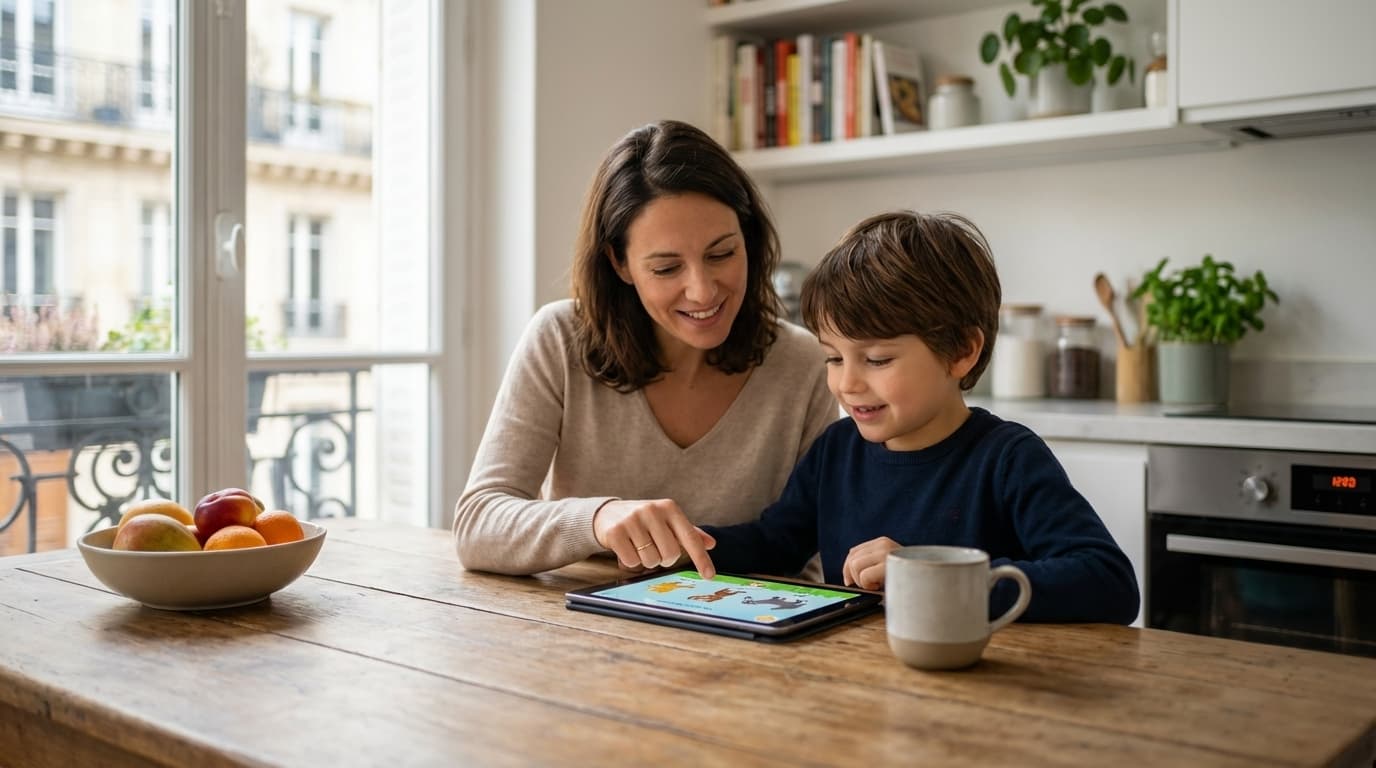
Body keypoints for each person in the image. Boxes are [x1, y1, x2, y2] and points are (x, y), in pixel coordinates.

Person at [701, 211, 1139, 623]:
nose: (847, 383)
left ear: (962, 351)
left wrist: (931, 575)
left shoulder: (1008, 458)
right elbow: (772, 544)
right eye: (833, 358)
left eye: (877, 359)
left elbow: (1109, 582)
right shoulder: (836, 450)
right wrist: (689, 544)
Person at [453, 120, 837, 577]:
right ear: (619, 263)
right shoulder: (559, 339)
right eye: (667, 268)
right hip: (577, 617)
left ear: (748, 240)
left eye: (721, 254)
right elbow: (477, 527)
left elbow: (816, 558)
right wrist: (597, 519)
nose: (702, 290)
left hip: (749, 620)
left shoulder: (802, 362)